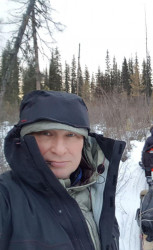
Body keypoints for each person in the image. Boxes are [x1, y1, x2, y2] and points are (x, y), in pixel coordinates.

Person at [0, 90, 126, 250]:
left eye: (71, 135)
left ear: (85, 143)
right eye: (46, 133)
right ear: (24, 140)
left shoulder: (96, 196)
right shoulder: (6, 198)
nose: (59, 150)